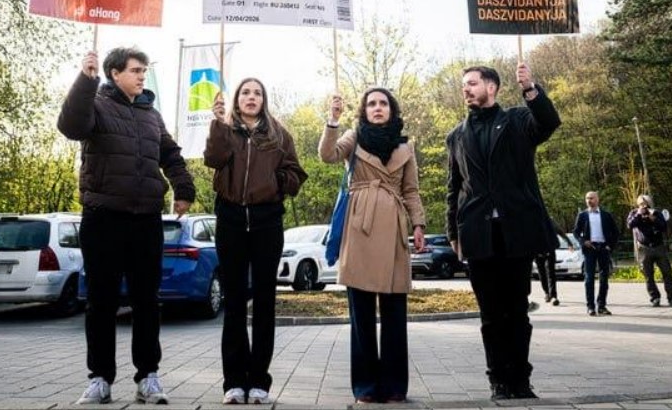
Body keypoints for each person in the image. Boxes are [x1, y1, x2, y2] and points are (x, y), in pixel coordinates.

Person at [58, 47, 196, 405]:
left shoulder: (152, 115)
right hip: (103, 217)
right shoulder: (95, 104)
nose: (142, 76)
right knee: (101, 302)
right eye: (136, 70)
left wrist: (184, 188)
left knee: (147, 301)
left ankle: (148, 376)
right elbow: (71, 126)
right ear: (114, 73)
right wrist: (85, 80)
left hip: (146, 219)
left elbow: (171, 155)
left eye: (144, 71)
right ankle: (100, 378)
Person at [445, 62, 560, 401]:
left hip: (516, 231)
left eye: (472, 83)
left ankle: (520, 380)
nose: (466, 89)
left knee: (516, 311)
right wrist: (454, 233)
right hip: (478, 235)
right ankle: (498, 381)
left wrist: (531, 91)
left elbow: (548, 122)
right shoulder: (456, 136)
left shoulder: (517, 120)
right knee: (490, 315)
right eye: (464, 84)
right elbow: (454, 189)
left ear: (491, 87)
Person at [204, 78, 308, 405]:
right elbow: (213, 160)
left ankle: (259, 381)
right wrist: (218, 125)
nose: (251, 97)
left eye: (258, 93)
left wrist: (275, 183)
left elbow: (295, 175)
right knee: (234, 301)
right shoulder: (226, 128)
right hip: (231, 219)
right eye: (246, 92)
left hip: (267, 220)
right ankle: (233, 382)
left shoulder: (278, 134)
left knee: (265, 300)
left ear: (264, 99)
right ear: (237, 99)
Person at [319, 88, 426, 404]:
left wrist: (418, 225)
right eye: (371, 104)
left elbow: (411, 190)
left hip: (393, 227)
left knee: (394, 311)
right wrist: (333, 121)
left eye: (383, 104)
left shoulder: (406, 146)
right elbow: (328, 155)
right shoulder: (354, 137)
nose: (377, 108)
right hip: (360, 226)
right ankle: (365, 386)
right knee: (362, 314)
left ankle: (394, 386)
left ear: (392, 110)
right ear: (364, 111)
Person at [626, 194, 672, 308]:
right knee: (648, 275)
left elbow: (664, 227)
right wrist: (639, 214)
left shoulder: (656, 212)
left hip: (658, 246)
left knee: (667, 273)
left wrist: (654, 219)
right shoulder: (634, 213)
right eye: (641, 204)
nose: (644, 206)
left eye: (646, 204)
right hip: (644, 248)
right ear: (638, 204)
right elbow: (630, 225)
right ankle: (655, 298)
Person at [573, 191, 620, 316]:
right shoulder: (582, 215)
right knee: (589, 279)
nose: (589, 200)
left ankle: (602, 306)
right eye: (587, 198)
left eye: (592, 198)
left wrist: (610, 246)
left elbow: (615, 232)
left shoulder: (606, 215)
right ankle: (590, 307)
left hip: (604, 248)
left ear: (597, 199)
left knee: (604, 278)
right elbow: (576, 232)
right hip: (590, 249)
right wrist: (583, 242)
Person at [534, 218, 567, 306]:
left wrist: (569, 243)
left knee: (551, 273)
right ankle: (547, 293)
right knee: (542, 273)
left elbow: (560, 232)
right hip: (538, 251)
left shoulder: (550, 220)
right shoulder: (531, 219)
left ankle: (553, 296)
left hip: (550, 250)